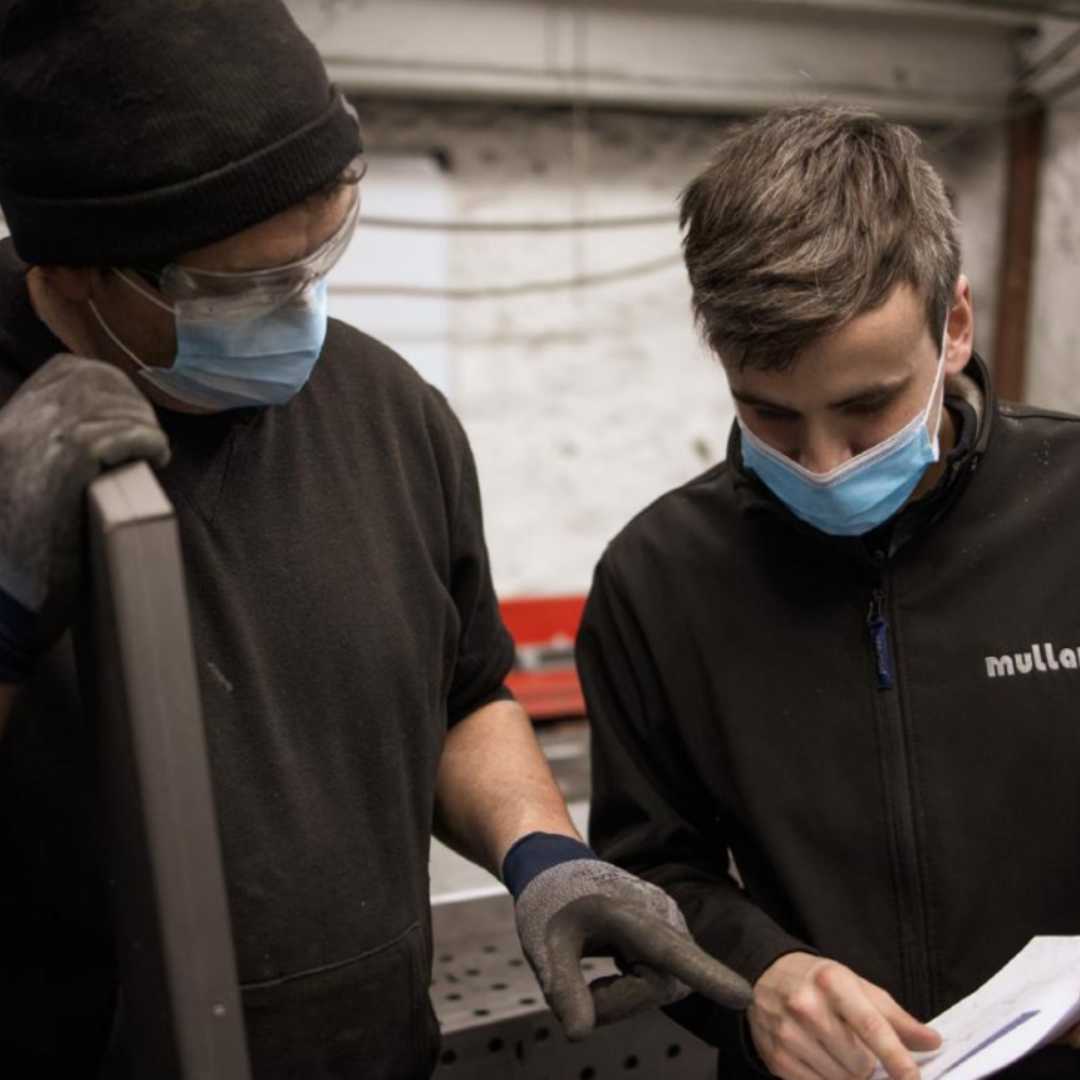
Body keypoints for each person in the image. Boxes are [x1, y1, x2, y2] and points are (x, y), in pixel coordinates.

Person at [0, 1, 750, 1076]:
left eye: (320, 258)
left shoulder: (387, 410)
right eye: (248, 287)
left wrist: (542, 855)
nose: (300, 312)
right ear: (76, 272)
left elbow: (460, 694)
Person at [577, 105, 1080, 1080]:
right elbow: (647, 876)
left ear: (955, 326)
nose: (823, 464)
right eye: (769, 414)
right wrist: (759, 981)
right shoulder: (658, 580)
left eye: (866, 407)